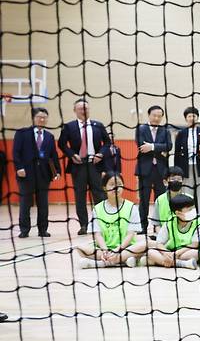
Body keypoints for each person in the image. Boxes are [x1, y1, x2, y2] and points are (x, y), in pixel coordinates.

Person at [58, 99, 110, 235]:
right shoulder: (69, 126)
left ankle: (101, 223)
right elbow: (62, 144)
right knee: (80, 196)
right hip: (78, 165)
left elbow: (107, 143)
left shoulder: (98, 125)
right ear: (75, 110)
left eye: (86, 108)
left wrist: (101, 154)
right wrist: (72, 155)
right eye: (80, 108)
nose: (84, 111)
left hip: (95, 164)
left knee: (99, 194)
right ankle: (84, 225)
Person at [76, 172, 146, 268]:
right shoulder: (97, 208)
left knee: (145, 244)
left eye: (119, 184)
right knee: (80, 248)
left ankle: (101, 263)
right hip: (104, 249)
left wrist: (117, 250)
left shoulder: (131, 207)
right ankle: (121, 261)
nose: (116, 188)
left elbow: (130, 234)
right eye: (112, 184)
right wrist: (105, 250)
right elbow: (97, 234)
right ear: (105, 187)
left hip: (126, 248)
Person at [13, 107, 61, 238]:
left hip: (43, 175)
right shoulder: (22, 133)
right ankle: (24, 230)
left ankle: (43, 230)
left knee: (43, 204)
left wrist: (57, 170)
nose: (42, 119)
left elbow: (53, 155)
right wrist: (19, 168)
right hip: (26, 174)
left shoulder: (50, 136)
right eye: (39, 117)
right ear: (33, 118)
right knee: (25, 203)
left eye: (44, 117)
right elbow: (16, 152)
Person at [173, 107, 200, 232]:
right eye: (189, 116)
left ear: (197, 117)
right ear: (186, 118)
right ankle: (188, 223)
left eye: (194, 116)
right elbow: (177, 153)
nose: (192, 118)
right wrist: (177, 172)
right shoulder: (181, 133)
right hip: (186, 168)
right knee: (187, 196)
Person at [135, 105, 173, 234]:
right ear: (149, 115)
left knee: (161, 200)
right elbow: (141, 146)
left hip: (161, 170)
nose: (156, 118)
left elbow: (169, 146)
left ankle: (160, 227)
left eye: (159, 116)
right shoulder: (141, 128)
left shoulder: (165, 130)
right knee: (143, 200)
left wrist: (151, 146)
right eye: (154, 115)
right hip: (145, 170)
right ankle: (143, 227)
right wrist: (159, 149)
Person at [146, 193, 200, 269]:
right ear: (178, 213)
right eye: (189, 209)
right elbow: (159, 243)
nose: (193, 211)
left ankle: (159, 262)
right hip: (171, 251)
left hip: (187, 251)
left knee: (195, 253)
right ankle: (182, 264)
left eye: (193, 208)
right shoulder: (170, 222)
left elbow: (194, 245)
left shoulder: (199, 222)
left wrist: (176, 254)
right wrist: (166, 253)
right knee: (151, 252)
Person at [149, 166, 186, 234]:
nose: (176, 181)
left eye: (179, 179)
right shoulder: (160, 200)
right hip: (164, 236)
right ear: (165, 182)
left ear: (182, 182)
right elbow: (157, 224)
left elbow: (192, 224)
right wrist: (162, 236)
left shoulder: (189, 199)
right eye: (173, 179)